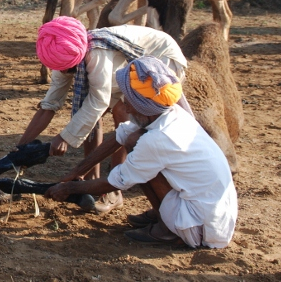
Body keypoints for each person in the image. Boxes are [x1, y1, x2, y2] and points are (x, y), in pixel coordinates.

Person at [45, 56, 238, 248]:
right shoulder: (170, 114)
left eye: (129, 98)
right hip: (210, 213)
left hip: (201, 228)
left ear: (143, 104)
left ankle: (168, 230)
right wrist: (77, 172)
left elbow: (116, 181)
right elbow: (120, 136)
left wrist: (69, 188)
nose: (125, 104)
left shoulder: (159, 138)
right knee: (133, 141)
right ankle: (163, 214)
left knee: (140, 154)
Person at [19, 16, 187, 215]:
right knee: (91, 115)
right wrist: (20, 148)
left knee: (125, 117)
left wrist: (64, 137)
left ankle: (113, 191)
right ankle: (92, 182)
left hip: (158, 60)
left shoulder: (96, 55)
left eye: (68, 68)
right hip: (120, 71)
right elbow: (49, 106)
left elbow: (98, 102)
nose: (65, 72)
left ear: (77, 59)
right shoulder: (63, 57)